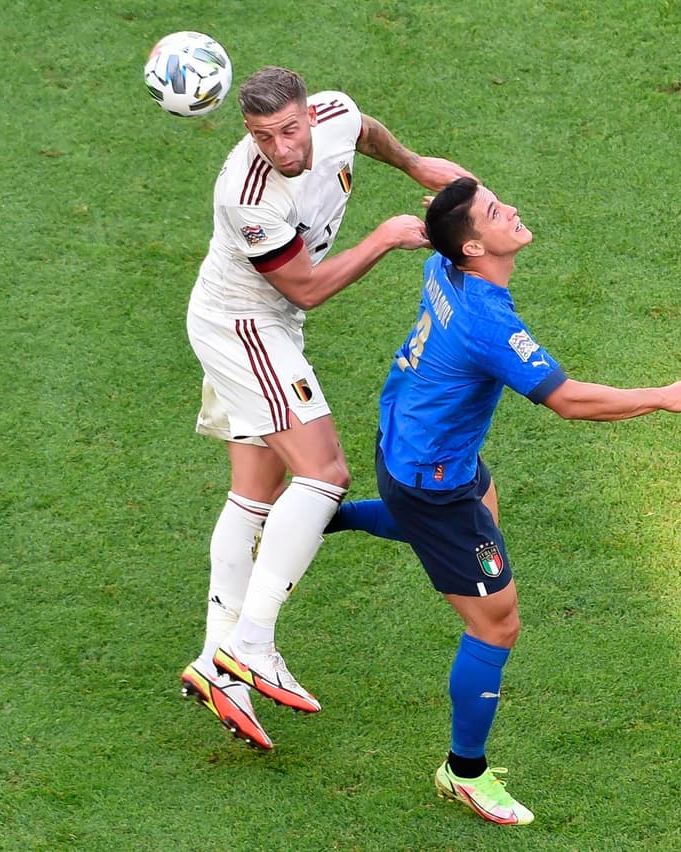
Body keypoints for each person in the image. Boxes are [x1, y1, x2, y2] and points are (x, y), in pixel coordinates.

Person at [347, 176, 681, 824]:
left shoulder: (444, 263)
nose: (512, 208)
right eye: (496, 211)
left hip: (410, 442)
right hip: (429, 480)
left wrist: (426, 178)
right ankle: (463, 771)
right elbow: (568, 400)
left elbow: (453, 203)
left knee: (482, 509)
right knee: (497, 621)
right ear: (471, 244)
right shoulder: (488, 320)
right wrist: (661, 395)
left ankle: (327, 519)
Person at [181, 66, 474, 751]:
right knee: (325, 473)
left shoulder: (336, 112)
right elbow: (306, 289)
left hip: (267, 324)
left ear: (309, 113)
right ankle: (251, 643)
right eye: (262, 136)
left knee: (256, 491)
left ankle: (215, 665)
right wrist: (385, 236)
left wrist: (411, 163)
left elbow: (363, 130)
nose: (280, 148)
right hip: (243, 325)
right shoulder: (245, 196)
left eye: (288, 130)